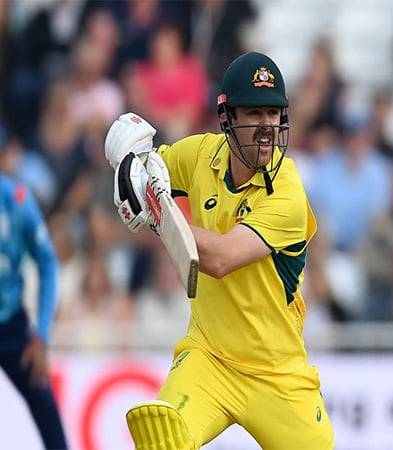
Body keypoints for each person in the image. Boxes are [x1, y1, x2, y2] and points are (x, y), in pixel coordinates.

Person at [105, 52, 334, 449]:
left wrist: (159, 212)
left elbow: (222, 258)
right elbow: (146, 171)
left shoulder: (288, 193)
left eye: (273, 114)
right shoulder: (199, 155)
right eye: (254, 114)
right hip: (208, 357)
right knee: (163, 438)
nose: (267, 127)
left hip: (277, 373)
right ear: (227, 119)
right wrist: (126, 156)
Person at [0, 170, 67, 448]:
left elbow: (48, 262)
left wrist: (41, 333)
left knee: (46, 412)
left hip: (11, 323)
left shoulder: (15, 198)